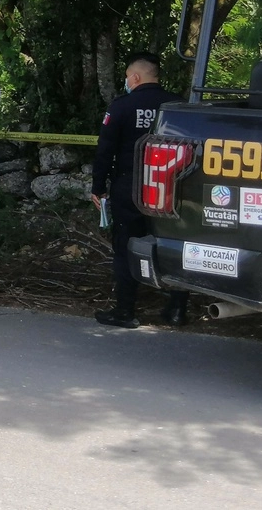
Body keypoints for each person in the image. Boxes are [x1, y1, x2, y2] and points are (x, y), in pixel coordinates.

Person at [91, 51, 186, 328]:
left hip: (131, 189)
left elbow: (105, 150)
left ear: (135, 77)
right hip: (172, 190)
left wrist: (98, 187)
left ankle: (125, 310)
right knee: (173, 246)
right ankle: (177, 309)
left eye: (127, 78)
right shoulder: (177, 105)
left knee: (126, 247)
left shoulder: (122, 106)